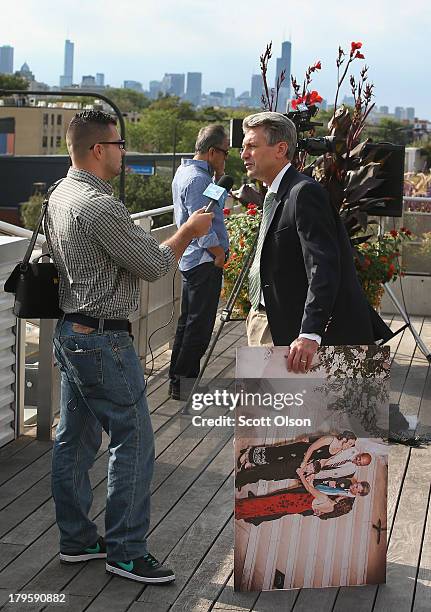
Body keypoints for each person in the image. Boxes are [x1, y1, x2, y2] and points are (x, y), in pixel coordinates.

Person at [45, 110, 214, 584]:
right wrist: (188, 232)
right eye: (120, 145)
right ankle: (126, 551)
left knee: (73, 442)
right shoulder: (101, 207)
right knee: (135, 441)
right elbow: (155, 265)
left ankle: (77, 540)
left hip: (72, 333)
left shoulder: (61, 194)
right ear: (99, 149)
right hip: (103, 341)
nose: (124, 152)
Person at [240, 112, 381, 372]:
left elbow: (323, 266)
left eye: (252, 146)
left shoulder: (303, 193)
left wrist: (310, 333)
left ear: (280, 149)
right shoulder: (277, 193)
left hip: (288, 332)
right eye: (243, 147)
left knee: (280, 410)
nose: (243, 154)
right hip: (266, 319)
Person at [168, 125, 230, 400]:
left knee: (188, 322)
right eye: (225, 154)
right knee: (200, 326)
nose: (226, 160)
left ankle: (178, 381)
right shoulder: (198, 180)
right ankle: (184, 384)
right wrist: (218, 253)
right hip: (204, 260)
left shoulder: (189, 172)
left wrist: (218, 180)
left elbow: (210, 208)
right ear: (213, 151)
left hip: (193, 260)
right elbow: (201, 226)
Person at [235, 466, 363, 525]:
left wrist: (301, 475)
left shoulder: (326, 499)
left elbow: (308, 488)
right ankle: (245, 513)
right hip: (297, 507)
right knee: (266, 508)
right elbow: (322, 514)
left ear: (342, 501)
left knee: (266, 504)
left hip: (292, 500)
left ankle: (240, 509)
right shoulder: (331, 509)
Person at [235, 432, 357, 490]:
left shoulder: (339, 450)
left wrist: (313, 474)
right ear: (345, 438)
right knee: (275, 454)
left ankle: (250, 466)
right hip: (301, 450)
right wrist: (304, 462)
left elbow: (324, 460)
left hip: (305, 458)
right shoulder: (330, 439)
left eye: (351, 445)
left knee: (277, 467)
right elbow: (311, 448)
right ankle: (249, 454)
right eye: (349, 443)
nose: (348, 446)